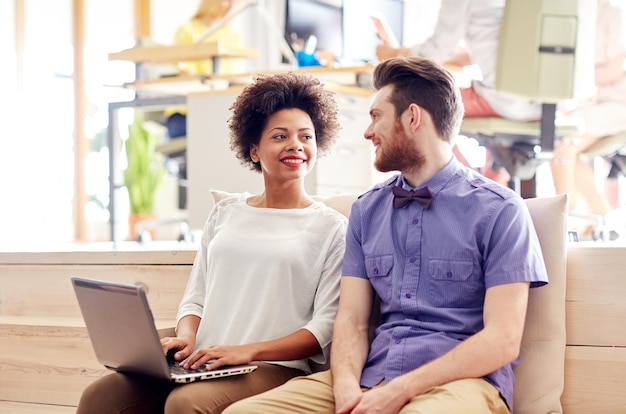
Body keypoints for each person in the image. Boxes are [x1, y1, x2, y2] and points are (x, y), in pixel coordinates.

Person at [223, 56, 549, 414]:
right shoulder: (367, 211)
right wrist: (346, 388)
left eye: (376, 116)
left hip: (462, 386)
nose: (367, 132)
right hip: (370, 376)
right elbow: (352, 321)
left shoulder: (501, 210)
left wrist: (399, 392)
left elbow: (502, 341)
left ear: (412, 117)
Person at [76, 72, 347, 414]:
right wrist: (186, 339)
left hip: (272, 367)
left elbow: (323, 327)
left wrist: (247, 351)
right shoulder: (225, 213)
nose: (296, 144)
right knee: (101, 396)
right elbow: (195, 299)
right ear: (254, 149)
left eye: (305, 136)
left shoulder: (332, 228)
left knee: (184, 404)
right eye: (280, 136)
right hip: (205, 360)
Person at [377, 0, 542, 186]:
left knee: (418, 105)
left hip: (504, 102)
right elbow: (497, 47)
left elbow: (436, 49)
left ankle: (464, 185)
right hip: (547, 106)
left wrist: (393, 54)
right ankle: (488, 181)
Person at [550, 0, 626, 238]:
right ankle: (601, 218)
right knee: (559, 140)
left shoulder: (614, 14)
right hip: (594, 104)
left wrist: (576, 75)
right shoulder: (579, 13)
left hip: (618, 104)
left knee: (562, 143)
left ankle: (563, 222)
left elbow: (616, 69)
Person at [165, 0, 247, 139]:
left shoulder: (233, 36)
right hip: (186, 114)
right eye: (227, 1)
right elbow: (183, 71)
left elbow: (238, 79)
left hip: (224, 112)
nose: (231, 6)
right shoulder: (187, 30)